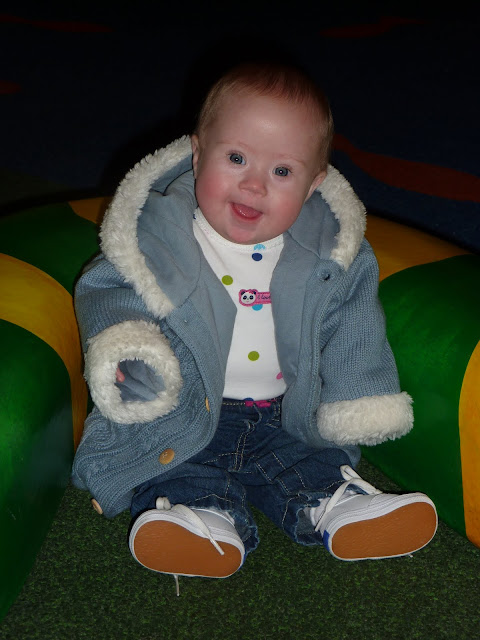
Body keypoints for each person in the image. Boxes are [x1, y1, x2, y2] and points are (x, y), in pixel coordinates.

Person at [72, 62, 437, 592]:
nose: (254, 184)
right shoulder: (157, 237)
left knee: (310, 463)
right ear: (198, 153)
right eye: (237, 158)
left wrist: (358, 396)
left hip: (284, 414)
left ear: (314, 185)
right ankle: (201, 519)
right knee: (176, 467)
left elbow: (356, 328)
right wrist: (131, 352)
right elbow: (110, 290)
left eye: (282, 171)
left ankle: (339, 507)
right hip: (187, 412)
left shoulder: (331, 254)